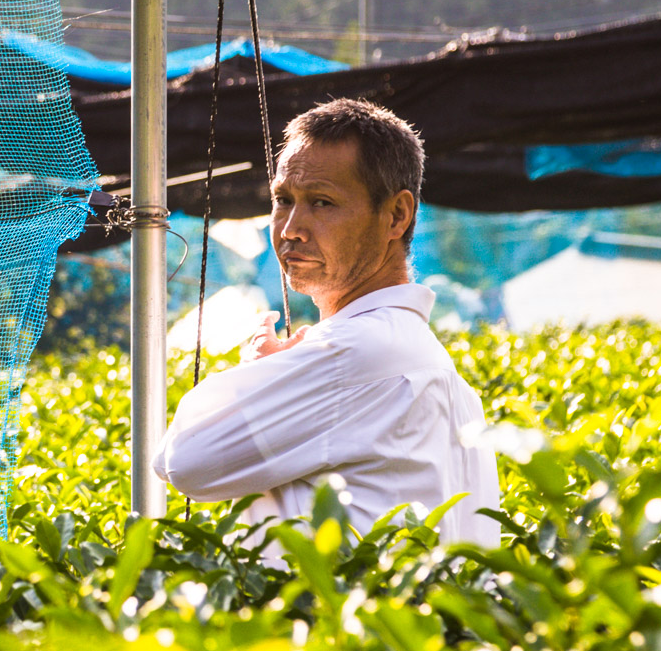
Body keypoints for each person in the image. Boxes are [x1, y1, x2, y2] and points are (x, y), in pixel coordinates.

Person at [152, 98, 501, 546]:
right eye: (283, 200)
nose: (290, 228)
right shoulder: (426, 359)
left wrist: (259, 373)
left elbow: (182, 462)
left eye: (322, 202)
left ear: (396, 215)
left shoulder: (353, 351)